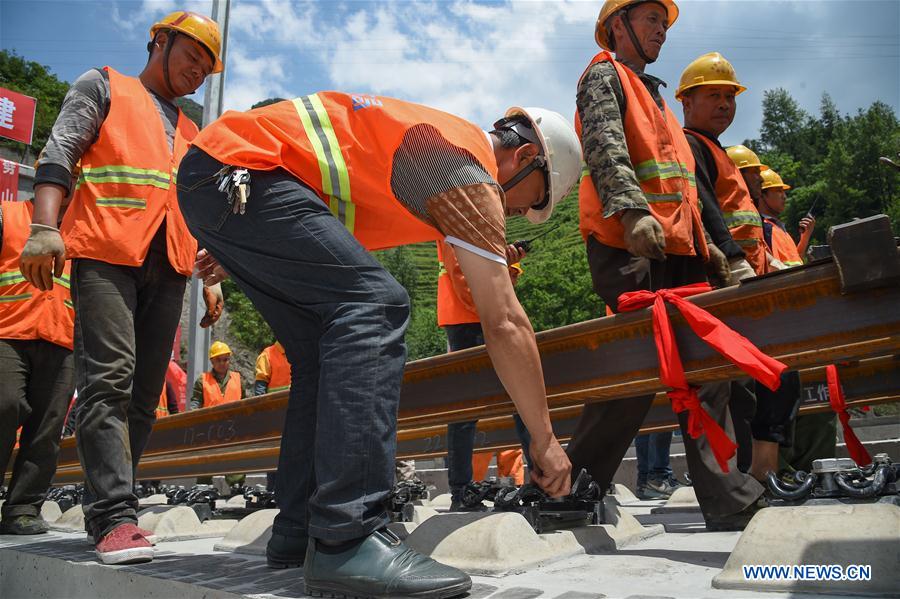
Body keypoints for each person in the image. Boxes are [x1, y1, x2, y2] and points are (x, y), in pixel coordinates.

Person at [177, 92, 580, 598]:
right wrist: (544, 440)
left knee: (321, 348)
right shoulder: (468, 170)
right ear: (524, 159)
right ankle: (348, 536)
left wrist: (239, 231)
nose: (520, 212)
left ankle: (299, 529)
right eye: (533, 199)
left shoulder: (437, 153)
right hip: (244, 173)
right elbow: (504, 322)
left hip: (226, 180)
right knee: (376, 305)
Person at [20, 11, 225, 564]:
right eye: (191, 58)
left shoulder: (191, 131)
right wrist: (43, 227)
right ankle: (115, 516)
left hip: (170, 267)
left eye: (207, 69)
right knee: (108, 379)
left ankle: (113, 509)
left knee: (144, 398)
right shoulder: (104, 85)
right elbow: (60, 152)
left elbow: (193, 206)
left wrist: (210, 272)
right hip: (106, 255)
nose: (197, 73)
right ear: (160, 41)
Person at [566, 0, 766, 532]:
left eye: (663, 22)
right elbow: (605, 145)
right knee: (634, 368)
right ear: (617, 25)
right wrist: (631, 212)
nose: (661, 31)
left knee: (704, 370)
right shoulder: (603, 75)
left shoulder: (653, 95)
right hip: (631, 246)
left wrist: (715, 251)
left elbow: (684, 188)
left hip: (679, 248)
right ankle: (570, 489)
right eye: (652, 20)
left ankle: (730, 497)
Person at [437, 240, 532, 510]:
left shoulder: (472, 209)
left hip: (477, 312)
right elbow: (462, 272)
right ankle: (462, 491)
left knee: (514, 397)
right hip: (474, 315)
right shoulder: (461, 205)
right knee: (479, 405)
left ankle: (462, 490)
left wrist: (507, 262)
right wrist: (496, 310)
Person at [0, 198, 74, 535]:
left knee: (47, 428)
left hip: (63, 336)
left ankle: (23, 508)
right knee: (5, 406)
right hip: (7, 331)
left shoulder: (83, 226)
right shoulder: (10, 215)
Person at [677, 52, 764, 280]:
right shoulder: (691, 144)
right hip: (727, 271)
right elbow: (704, 206)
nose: (724, 105)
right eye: (714, 95)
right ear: (687, 103)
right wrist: (733, 259)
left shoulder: (717, 151)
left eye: (729, 97)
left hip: (751, 268)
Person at [190, 341, 244, 409]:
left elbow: (245, 404)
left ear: (229, 360)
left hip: (235, 419)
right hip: (211, 419)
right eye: (218, 360)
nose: (222, 363)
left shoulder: (238, 379)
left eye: (225, 360)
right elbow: (195, 403)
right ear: (212, 361)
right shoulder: (202, 381)